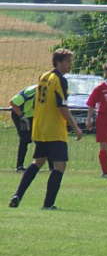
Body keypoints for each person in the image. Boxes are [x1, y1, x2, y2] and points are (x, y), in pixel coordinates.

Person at [9, 49, 83, 209]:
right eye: (68, 61)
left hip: (40, 127)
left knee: (38, 161)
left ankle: (17, 195)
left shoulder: (43, 76)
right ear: (59, 62)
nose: (70, 65)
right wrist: (75, 126)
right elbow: (61, 106)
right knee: (60, 166)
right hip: (54, 129)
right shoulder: (59, 79)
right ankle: (48, 204)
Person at [9, 84, 37, 172]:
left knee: (42, 139)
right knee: (25, 140)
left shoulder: (50, 92)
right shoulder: (31, 92)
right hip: (20, 115)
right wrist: (22, 116)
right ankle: (19, 166)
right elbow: (13, 103)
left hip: (32, 116)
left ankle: (51, 167)